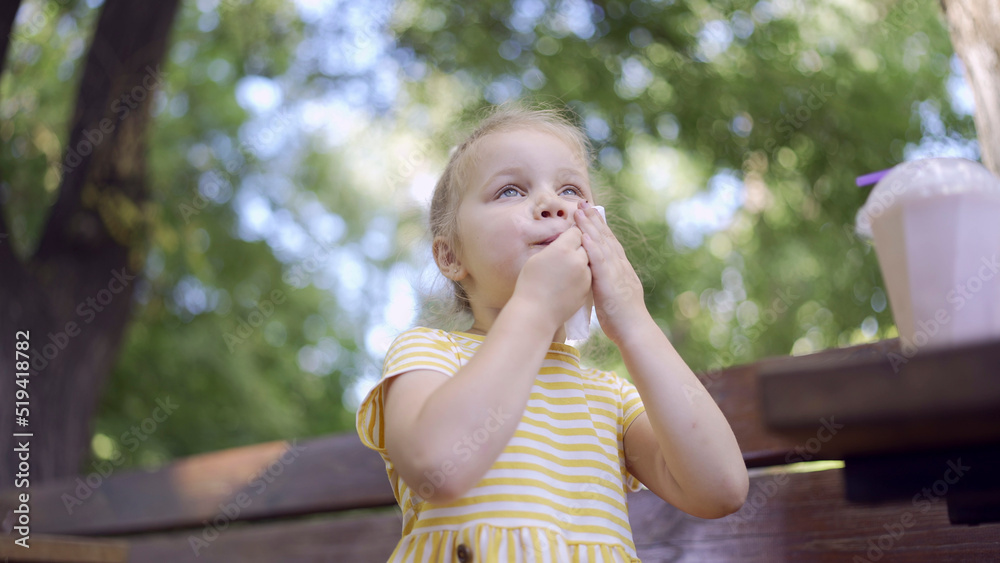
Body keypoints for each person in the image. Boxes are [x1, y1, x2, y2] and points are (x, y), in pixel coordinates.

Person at [357, 103, 748, 562]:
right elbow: (439, 467)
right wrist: (536, 308)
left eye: (570, 188)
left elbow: (720, 488)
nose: (553, 203)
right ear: (450, 256)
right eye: (509, 191)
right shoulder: (430, 352)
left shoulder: (611, 399)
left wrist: (634, 322)